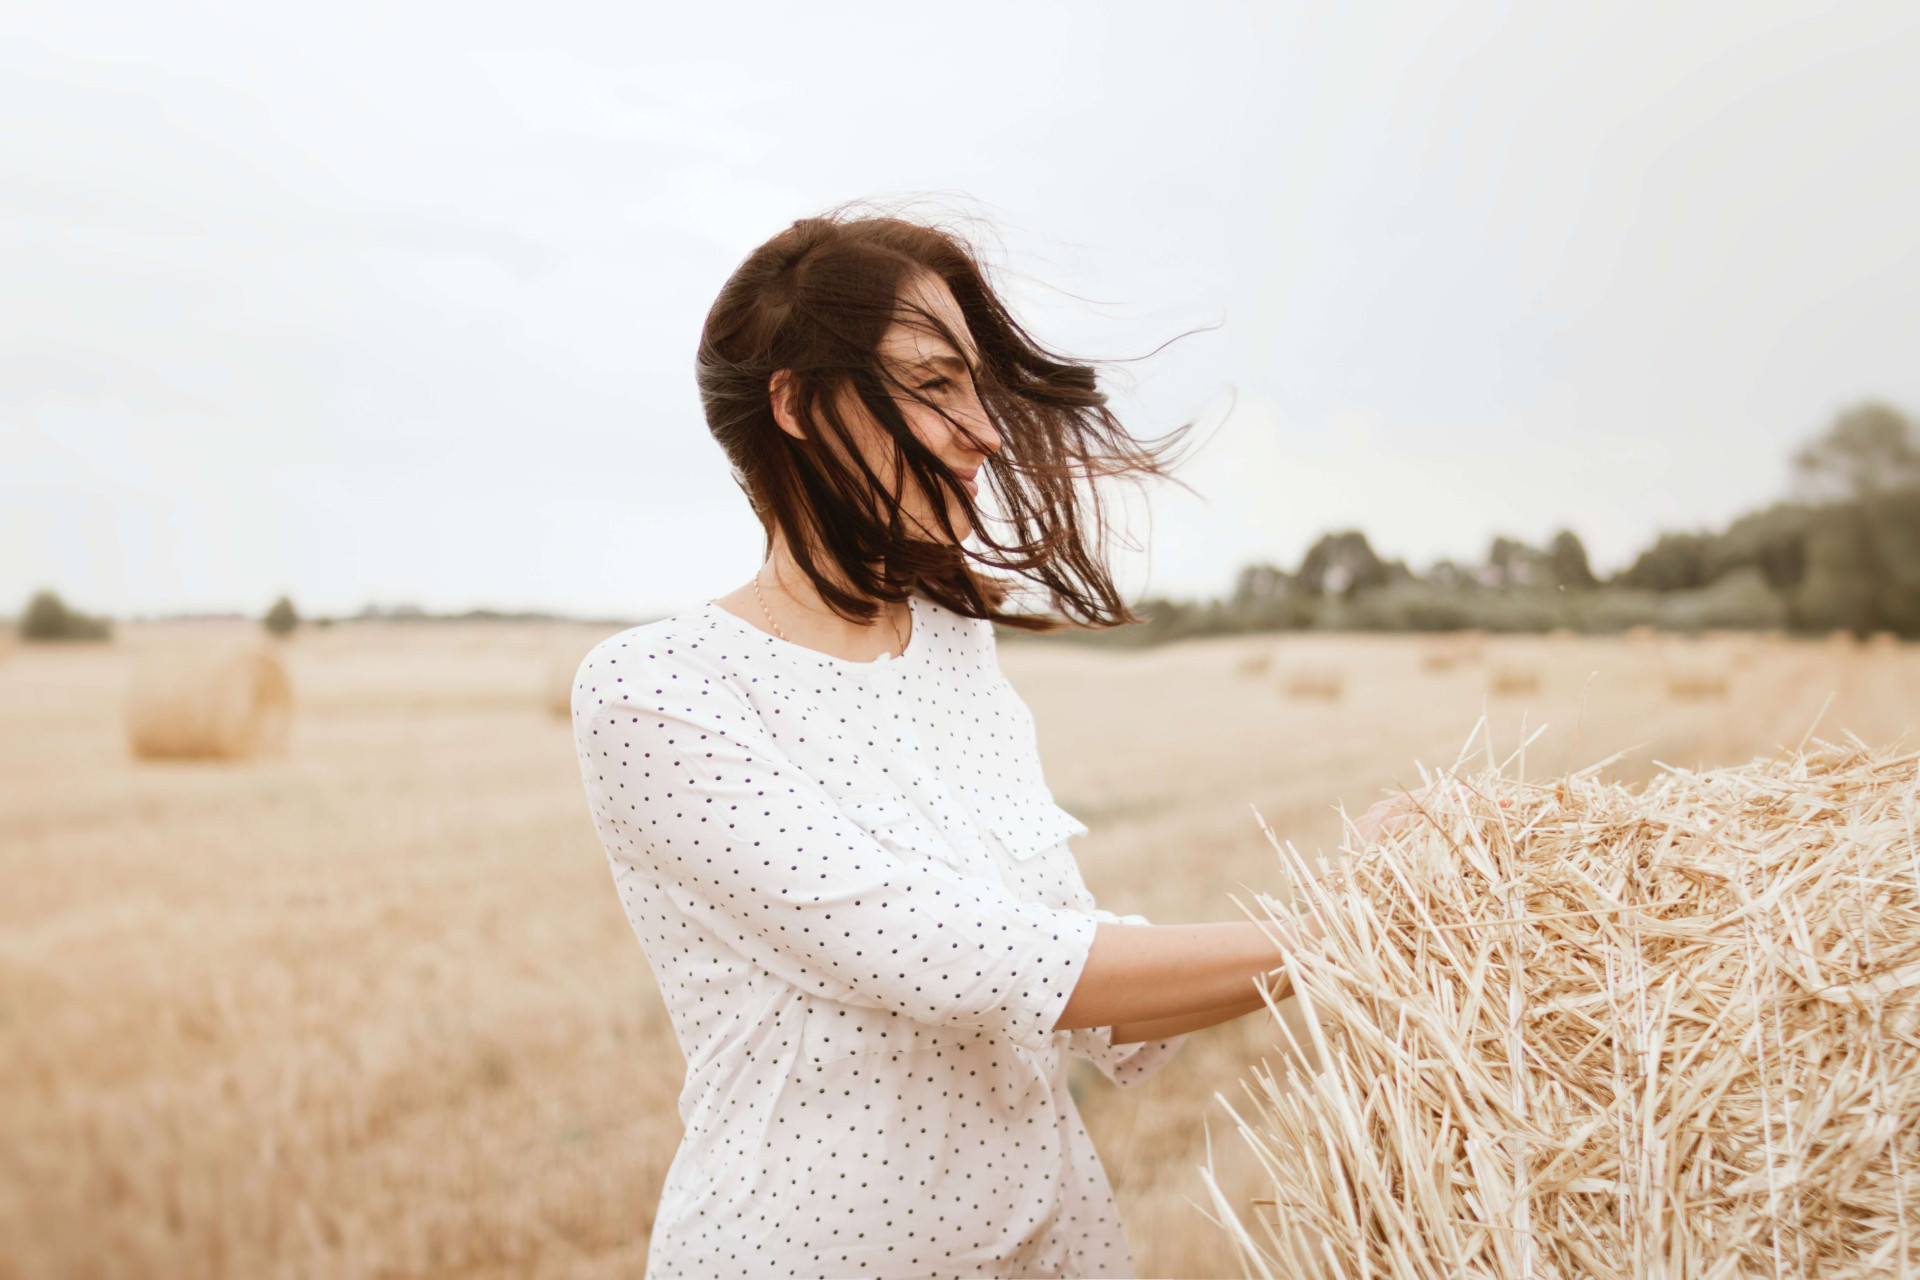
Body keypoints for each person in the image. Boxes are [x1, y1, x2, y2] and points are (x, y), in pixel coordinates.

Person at [569, 207, 1330, 1279]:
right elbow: (960, 957)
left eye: (974, 384)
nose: (985, 427)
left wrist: (1350, 910)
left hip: (1055, 1249)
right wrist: (1339, 927)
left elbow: (1076, 963)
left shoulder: (954, 648)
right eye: (933, 385)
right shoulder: (659, 687)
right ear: (795, 402)